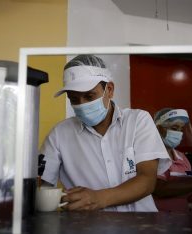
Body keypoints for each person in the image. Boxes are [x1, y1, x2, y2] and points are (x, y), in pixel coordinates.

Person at [38, 55, 171, 212]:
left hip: (141, 225)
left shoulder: (137, 121)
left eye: (89, 96)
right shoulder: (59, 135)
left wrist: (98, 199)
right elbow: (42, 186)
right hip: (87, 230)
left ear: (109, 90)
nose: (81, 105)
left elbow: (147, 180)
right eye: (74, 99)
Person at [152, 108, 192, 212]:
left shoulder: (182, 158)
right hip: (159, 217)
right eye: (174, 128)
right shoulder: (152, 155)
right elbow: (160, 190)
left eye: (181, 129)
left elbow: (187, 188)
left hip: (182, 215)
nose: (179, 133)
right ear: (158, 129)